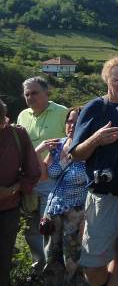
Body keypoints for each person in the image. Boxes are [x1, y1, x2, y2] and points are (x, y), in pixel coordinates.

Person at [70, 56, 118, 286]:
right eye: (117, 80)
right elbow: (76, 154)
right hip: (104, 198)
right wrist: (95, 139)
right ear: (107, 79)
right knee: (93, 264)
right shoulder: (95, 108)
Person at [17, 76, 68, 273]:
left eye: (35, 93)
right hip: (29, 181)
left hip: (54, 180)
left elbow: (72, 142)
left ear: (47, 93)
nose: (30, 97)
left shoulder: (62, 113)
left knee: (51, 226)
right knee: (32, 228)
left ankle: (55, 270)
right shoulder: (23, 115)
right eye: (27, 94)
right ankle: (38, 269)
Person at [39, 107, 87, 286]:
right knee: (51, 256)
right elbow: (44, 176)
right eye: (69, 121)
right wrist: (38, 151)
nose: (71, 125)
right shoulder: (57, 145)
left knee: (73, 258)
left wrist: (87, 218)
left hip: (76, 212)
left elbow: (94, 185)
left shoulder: (90, 149)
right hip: (53, 209)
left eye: (77, 121)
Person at [0, 98, 41, 286]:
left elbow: (32, 172)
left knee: (3, 260)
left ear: (4, 120)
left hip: (8, 211)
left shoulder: (17, 135)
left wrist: (13, 189)